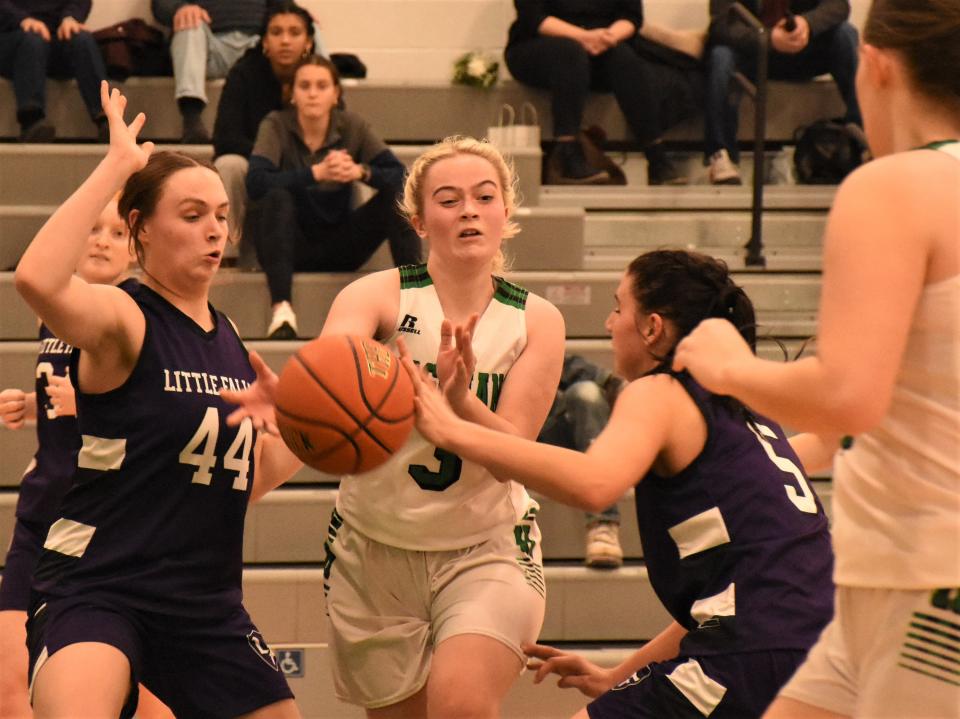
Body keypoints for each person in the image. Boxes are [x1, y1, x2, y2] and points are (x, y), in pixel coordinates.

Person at [675, 0, 960, 715]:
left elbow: (848, 392)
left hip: (927, 574)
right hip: (887, 579)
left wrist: (726, 363)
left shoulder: (894, 185)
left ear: (874, 65)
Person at [404, 249, 835, 718]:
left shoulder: (659, 392)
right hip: (816, 655)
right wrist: (619, 674)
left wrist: (452, 432)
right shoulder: (746, 417)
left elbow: (593, 484)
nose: (609, 324)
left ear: (652, 327)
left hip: (752, 653)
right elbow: (732, 598)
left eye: (617, 308)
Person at [224, 135, 567, 717]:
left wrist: (459, 402)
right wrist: (295, 412)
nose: (468, 211)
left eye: (484, 197)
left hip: (485, 547)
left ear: (506, 212)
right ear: (418, 219)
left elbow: (517, 451)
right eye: (449, 199)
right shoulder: (377, 296)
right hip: (373, 550)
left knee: (459, 706)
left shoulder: (538, 320)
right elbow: (328, 399)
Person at [12, 81, 302, 719]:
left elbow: (237, 484)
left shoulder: (229, 342)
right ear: (140, 228)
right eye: (192, 215)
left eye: (222, 215)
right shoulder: (125, 316)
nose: (214, 230)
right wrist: (116, 167)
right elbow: (36, 278)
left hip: (203, 604)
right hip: (98, 588)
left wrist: (300, 433)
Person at [0, 199, 175, 719]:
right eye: (91, 230)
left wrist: (100, 406)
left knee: (144, 701)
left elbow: (163, 412)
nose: (100, 240)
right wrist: (34, 405)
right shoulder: (51, 311)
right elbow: (60, 392)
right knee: (10, 681)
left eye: (116, 233)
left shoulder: (133, 321)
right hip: (41, 516)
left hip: (104, 528)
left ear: (135, 250)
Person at [246, 56, 422, 340]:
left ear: (335, 94)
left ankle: (417, 300)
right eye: (304, 86)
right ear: (292, 94)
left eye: (321, 85)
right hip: (290, 245)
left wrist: (360, 171)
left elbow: (402, 177)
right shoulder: (276, 123)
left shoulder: (351, 124)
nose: (313, 93)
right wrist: (315, 173)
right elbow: (256, 182)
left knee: (397, 195)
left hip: (341, 244)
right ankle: (282, 311)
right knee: (276, 196)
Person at [504, 0, 694, 185]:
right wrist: (584, 37)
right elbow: (533, 18)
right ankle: (568, 152)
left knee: (623, 57)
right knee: (570, 53)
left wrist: (609, 37)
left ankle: (656, 155)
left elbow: (631, 17)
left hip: (599, 46)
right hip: (537, 46)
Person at [704, 0, 862, 185]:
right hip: (754, 50)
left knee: (846, 34)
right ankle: (721, 155)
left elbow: (839, 6)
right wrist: (769, 38)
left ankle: (860, 142)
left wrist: (807, 23)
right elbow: (720, 25)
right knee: (720, 56)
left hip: (802, 50)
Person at [212, 1, 316, 267]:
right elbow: (226, 139)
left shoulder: (319, 78)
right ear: (264, 42)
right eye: (276, 32)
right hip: (256, 167)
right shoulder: (243, 74)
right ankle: (227, 253)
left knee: (346, 167)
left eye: (294, 33)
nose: (285, 40)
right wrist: (268, 162)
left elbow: (337, 135)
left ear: (308, 42)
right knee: (229, 165)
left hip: (308, 168)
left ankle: (342, 255)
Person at [537, 354, 626, 569]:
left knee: (586, 392)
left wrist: (608, 382)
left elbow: (551, 361)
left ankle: (603, 525)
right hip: (506, 437)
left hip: (542, 427)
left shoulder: (514, 329)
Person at [151, 0, 272, 143]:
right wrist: (181, 8)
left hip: (256, 43)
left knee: (282, 36)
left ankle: (269, 127)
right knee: (189, 24)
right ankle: (192, 118)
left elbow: (284, 6)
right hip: (206, 45)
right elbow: (160, 4)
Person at [0, 0, 108, 142]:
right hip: (13, 35)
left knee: (82, 39)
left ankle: (107, 120)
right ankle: (32, 121)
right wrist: (21, 19)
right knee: (33, 41)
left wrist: (70, 18)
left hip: (56, 35)